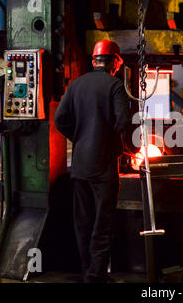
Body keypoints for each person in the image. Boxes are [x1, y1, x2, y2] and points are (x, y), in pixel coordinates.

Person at [54, 39, 136, 283]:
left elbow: (60, 119)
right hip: (103, 170)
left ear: (94, 60)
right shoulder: (114, 85)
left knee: (83, 223)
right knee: (103, 224)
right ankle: (96, 276)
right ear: (116, 63)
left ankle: (88, 270)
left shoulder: (76, 84)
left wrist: (79, 137)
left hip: (79, 166)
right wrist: (127, 148)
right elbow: (123, 121)